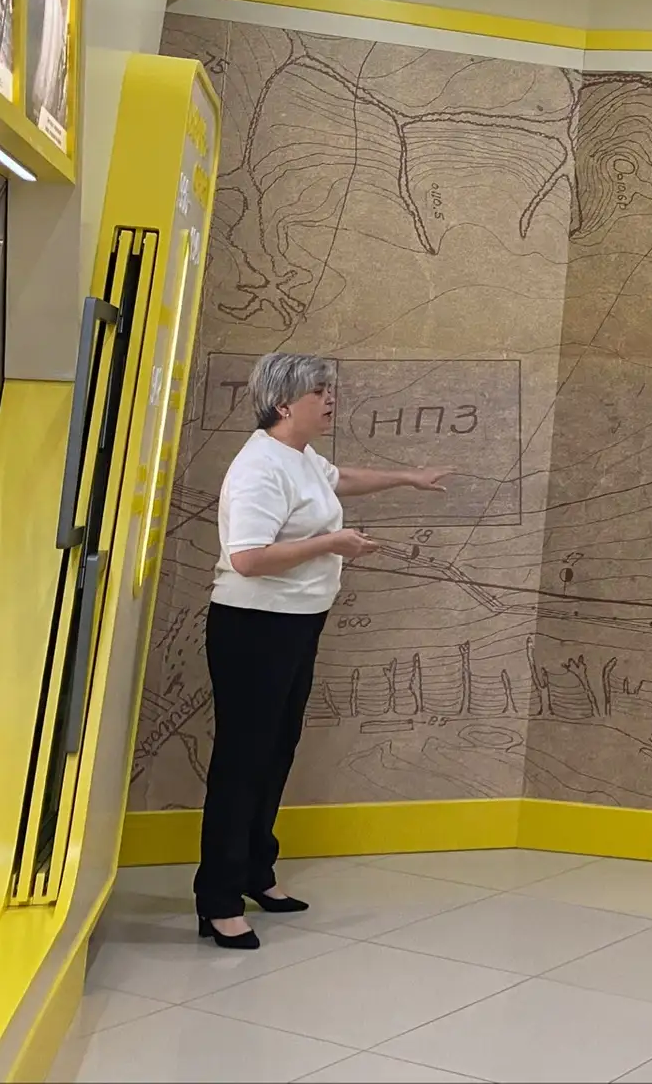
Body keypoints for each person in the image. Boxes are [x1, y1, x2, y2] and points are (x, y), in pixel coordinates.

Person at [196, 354, 448, 949]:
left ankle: (256, 872)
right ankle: (218, 900)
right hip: (253, 629)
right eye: (319, 391)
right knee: (243, 762)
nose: (331, 399)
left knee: (276, 752)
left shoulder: (300, 456)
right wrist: (332, 542)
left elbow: (340, 479)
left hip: (296, 624)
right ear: (283, 404)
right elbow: (247, 559)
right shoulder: (258, 467)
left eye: (329, 389)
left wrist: (408, 477)